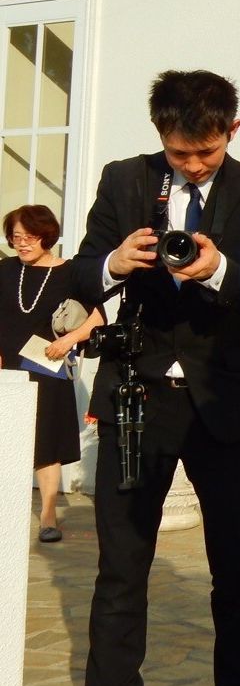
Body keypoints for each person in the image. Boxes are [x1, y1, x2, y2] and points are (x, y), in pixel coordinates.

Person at [73, 70, 240, 686]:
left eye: (206, 152)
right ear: (159, 133)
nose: (192, 165)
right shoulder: (125, 180)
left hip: (225, 399)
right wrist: (114, 264)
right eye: (178, 152)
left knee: (238, 571)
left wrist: (219, 269)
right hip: (137, 396)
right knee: (121, 569)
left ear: (232, 131)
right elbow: (80, 274)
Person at [0, 205, 103, 543]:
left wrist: (68, 341)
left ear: (46, 236)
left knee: (46, 442)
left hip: (46, 364)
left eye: (29, 237)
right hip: (6, 367)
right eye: (16, 237)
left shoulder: (70, 273)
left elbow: (97, 318)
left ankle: (47, 516)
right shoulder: (5, 269)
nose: (21, 243)